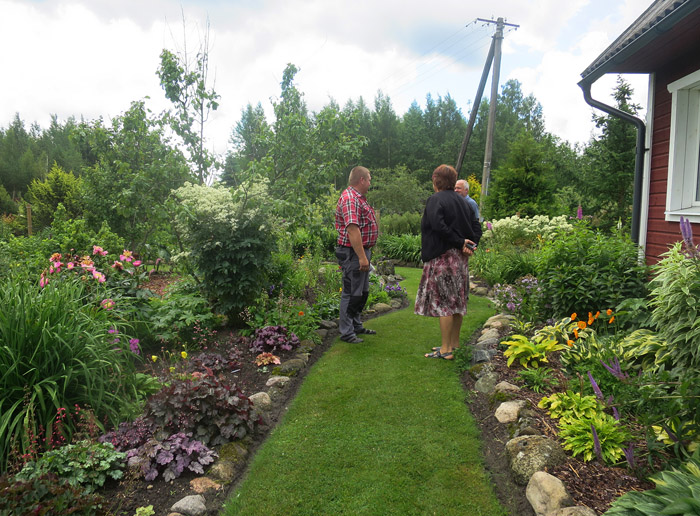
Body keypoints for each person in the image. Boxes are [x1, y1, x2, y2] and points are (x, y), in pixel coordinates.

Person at [415, 165, 482, 360]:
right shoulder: (464, 202)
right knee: (457, 302)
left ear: (436, 180)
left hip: (443, 258)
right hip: (460, 260)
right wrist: (470, 245)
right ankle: (454, 344)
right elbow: (476, 227)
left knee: (444, 303)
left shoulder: (435, 200)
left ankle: (446, 350)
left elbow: (438, 226)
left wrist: (461, 242)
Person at [335, 166, 379, 343]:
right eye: (369, 179)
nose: (370, 182)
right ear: (361, 180)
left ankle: (356, 324)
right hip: (352, 253)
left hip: (360, 251)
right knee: (351, 292)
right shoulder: (350, 199)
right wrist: (361, 257)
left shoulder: (358, 198)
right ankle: (346, 332)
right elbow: (353, 230)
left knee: (361, 292)